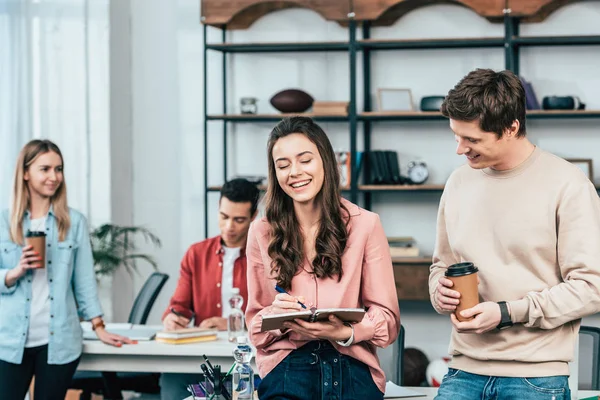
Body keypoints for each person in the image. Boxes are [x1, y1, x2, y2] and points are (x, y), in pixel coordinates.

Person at [429, 68, 600, 399]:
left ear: (511, 128)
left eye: (472, 140)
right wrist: (441, 291)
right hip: (463, 369)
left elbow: (591, 287)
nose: (460, 149)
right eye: (456, 136)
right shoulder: (458, 182)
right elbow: (442, 265)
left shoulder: (568, 185)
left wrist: (507, 312)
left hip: (534, 378)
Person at [245, 116, 401, 400]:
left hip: (350, 365)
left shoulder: (366, 224)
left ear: (325, 162)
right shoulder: (261, 231)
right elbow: (255, 328)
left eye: (305, 160)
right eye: (283, 165)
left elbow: (388, 323)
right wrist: (276, 315)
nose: (294, 172)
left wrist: (344, 331)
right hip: (289, 367)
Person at [0, 139, 132, 400]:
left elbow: (84, 280)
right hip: (9, 341)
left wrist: (98, 325)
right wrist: (12, 273)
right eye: (45, 169)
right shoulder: (4, 222)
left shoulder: (73, 223)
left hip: (58, 341)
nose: (54, 177)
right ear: (25, 173)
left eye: (58, 169)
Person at [159, 178, 260, 400]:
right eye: (224, 217)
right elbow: (179, 307)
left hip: (247, 358)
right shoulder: (196, 254)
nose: (229, 227)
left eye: (239, 220)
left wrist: (235, 324)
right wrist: (172, 318)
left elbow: (274, 313)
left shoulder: (264, 256)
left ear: (253, 217)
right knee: (172, 381)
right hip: (202, 356)